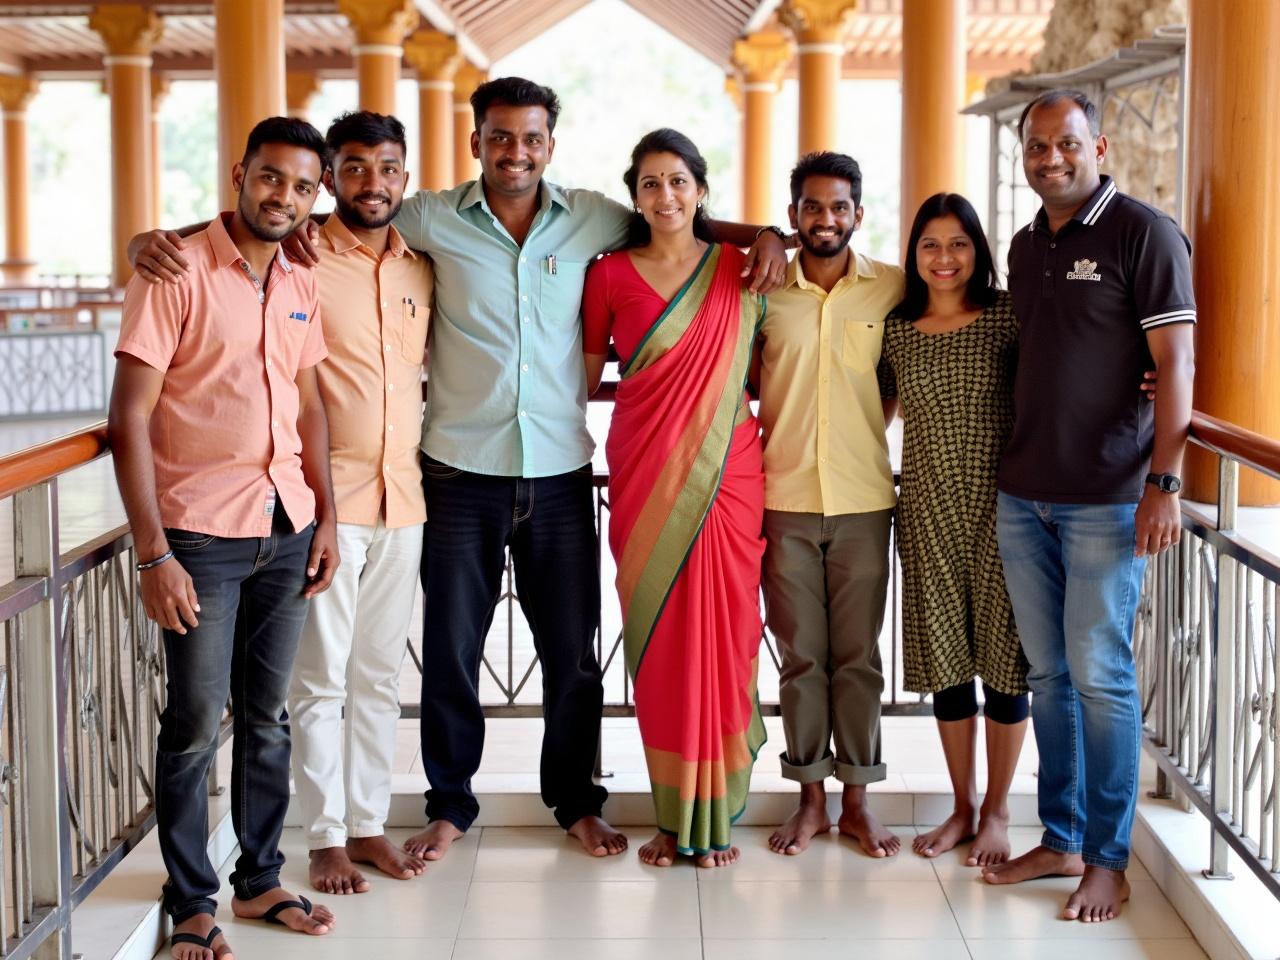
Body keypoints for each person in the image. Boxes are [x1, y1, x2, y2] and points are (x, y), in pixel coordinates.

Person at [129, 77, 789, 862]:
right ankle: (450, 805)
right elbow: (302, 209)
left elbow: (677, 213)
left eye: (532, 138)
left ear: (551, 144)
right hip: (454, 474)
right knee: (449, 650)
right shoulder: (425, 215)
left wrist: (767, 233)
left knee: (572, 655)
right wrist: (152, 241)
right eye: (500, 137)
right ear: (475, 142)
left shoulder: (590, 218)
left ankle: (575, 800)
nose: (517, 151)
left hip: (558, 471)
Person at [108, 116, 339, 960]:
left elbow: (310, 404)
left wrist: (328, 516)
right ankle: (191, 899)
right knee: (198, 719)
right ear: (241, 173)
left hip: (288, 523)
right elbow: (127, 417)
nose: (284, 196)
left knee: (269, 716)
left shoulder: (301, 278)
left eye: (302, 186)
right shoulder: (173, 269)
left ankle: (260, 879)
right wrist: (153, 552)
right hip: (199, 535)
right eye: (272, 178)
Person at [983, 89, 1195, 923]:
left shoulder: (1144, 233)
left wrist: (1164, 483)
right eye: (1036, 148)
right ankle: (1061, 836)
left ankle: (1109, 859)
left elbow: (1175, 365)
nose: (1050, 160)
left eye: (1065, 144)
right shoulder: (1028, 241)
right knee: (1050, 678)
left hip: (1109, 498)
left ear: (1098, 145)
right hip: (1023, 493)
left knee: (1101, 678)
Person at [582, 129, 766, 868]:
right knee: (660, 644)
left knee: (725, 635)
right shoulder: (608, 275)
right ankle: (670, 816)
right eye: (651, 184)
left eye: (679, 181)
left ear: (701, 188)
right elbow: (584, 378)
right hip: (644, 472)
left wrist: (775, 234)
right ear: (634, 195)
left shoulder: (742, 266)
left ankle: (715, 813)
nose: (666, 196)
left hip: (730, 473)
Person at [284, 111, 432, 895]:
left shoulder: (420, 268)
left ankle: (370, 822)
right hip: (325, 504)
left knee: (378, 676)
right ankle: (324, 837)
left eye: (386, 168)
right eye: (354, 167)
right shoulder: (299, 257)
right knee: (319, 679)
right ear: (332, 177)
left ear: (404, 178)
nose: (371, 183)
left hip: (403, 499)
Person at [755, 152, 904, 858]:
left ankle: (858, 801)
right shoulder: (765, 291)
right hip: (781, 495)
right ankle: (809, 797)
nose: (825, 219)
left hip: (864, 498)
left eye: (839, 207)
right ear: (792, 217)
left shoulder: (891, 290)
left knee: (858, 658)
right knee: (800, 658)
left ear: (858, 215)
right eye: (812, 207)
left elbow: (929, 350)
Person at [878, 193, 1030, 866]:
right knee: (947, 669)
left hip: (1006, 513)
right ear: (914, 254)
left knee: (1005, 667)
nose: (945, 258)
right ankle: (962, 805)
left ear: (978, 249)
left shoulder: (1008, 318)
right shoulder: (896, 328)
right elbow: (872, 413)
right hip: (927, 512)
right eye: (931, 245)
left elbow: (1061, 381)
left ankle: (998, 811)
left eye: (959, 243)